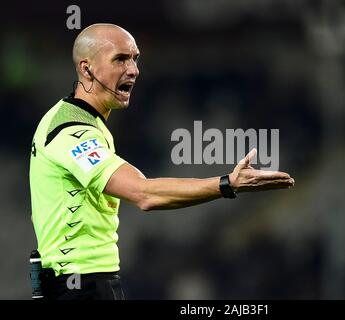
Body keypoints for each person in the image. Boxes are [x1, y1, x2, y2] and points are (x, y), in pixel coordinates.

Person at [29, 23, 295, 300]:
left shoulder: (77, 121)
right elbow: (144, 194)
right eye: (120, 59)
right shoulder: (71, 131)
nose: (133, 69)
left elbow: (41, 210)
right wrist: (228, 184)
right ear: (87, 69)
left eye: (135, 58)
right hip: (79, 288)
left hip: (82, 284)